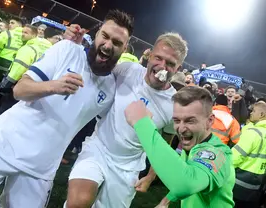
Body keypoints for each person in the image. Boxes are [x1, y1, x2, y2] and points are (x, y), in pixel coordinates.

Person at [0, 9, 133, 208]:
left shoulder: (109, 91)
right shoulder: (67, 49)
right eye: (105, 36)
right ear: (96, 34)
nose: (108, 45)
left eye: (116, 43)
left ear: (124, 48)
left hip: (40, 169)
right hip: (2, 144)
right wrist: (53, 86)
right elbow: (20, 90)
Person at [64, 29, 188, 207]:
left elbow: (164, 142)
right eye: (158, 58)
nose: (162, 66)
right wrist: (74, 46)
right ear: (150, 55)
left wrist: (150, 176)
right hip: (98, 149)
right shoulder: (127, 70)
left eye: (170, 63)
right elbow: (96, 68)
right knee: (78, 203)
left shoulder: (174, 104)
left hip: (128, 168)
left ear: (178, 69)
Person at [124, 86, 235, 208]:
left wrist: (142, 124)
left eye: (190, 121)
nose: (181, 129)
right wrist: (166, 200)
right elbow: (184, 173)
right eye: (176, 121)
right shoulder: (194, 147)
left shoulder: (219, 154)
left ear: (209, 121)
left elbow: (187, 183)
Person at [0, 26, 61, 116]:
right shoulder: (51, 52)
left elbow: (18, 69)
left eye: (26, 32)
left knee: (4, 112)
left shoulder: (29, 49)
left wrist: (5, 85)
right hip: (36, 90)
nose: (22, 34)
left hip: (18, 86)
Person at [232, 103, 266, 208]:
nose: (251, 113)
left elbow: (235, 157)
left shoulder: (252, 132)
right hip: (256, 182)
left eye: (254, 111)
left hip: (239, 179)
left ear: (261, 114)